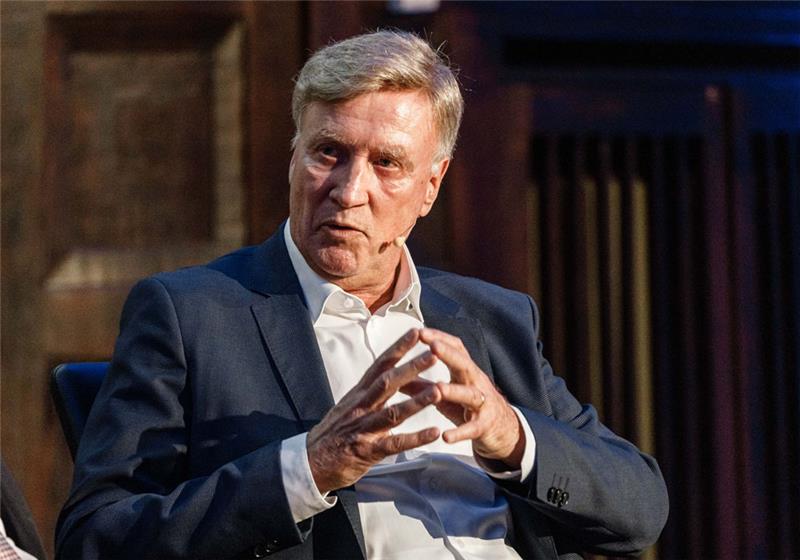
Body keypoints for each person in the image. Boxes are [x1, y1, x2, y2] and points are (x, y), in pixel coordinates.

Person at [56, 30, 668, 559]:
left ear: (431, 187)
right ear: (294, 157)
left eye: (387, 164)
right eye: (329, 152)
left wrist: (510, 435)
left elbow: (640, 511)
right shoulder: (191, 314)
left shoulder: (495, 319)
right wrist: (308, 467)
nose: (349, 192)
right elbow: (95, 540)